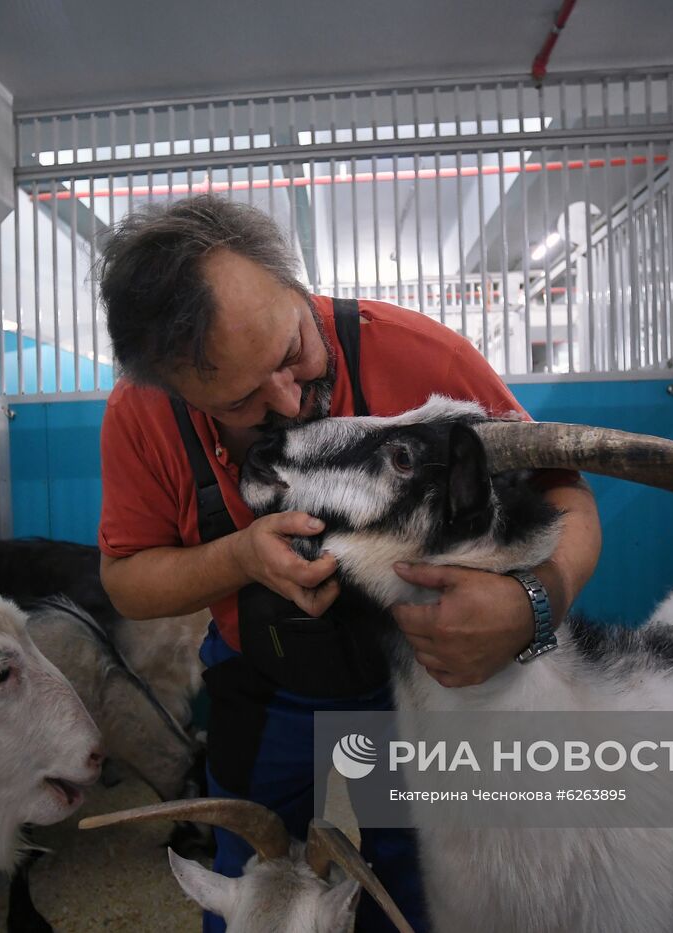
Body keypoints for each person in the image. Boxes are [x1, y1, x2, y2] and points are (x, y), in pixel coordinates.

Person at [96, 196, 601, 932]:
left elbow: (565, 494)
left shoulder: (422, 357)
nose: (290, 398)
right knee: (256, 901)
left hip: (417, 696)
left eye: (291, 349)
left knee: (412, 898)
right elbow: (125, 580)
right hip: (267, 698)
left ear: (293, 284)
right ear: (176, 392)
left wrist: (537, 601)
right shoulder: (140, 418)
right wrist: (236, 556)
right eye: (243, 400)